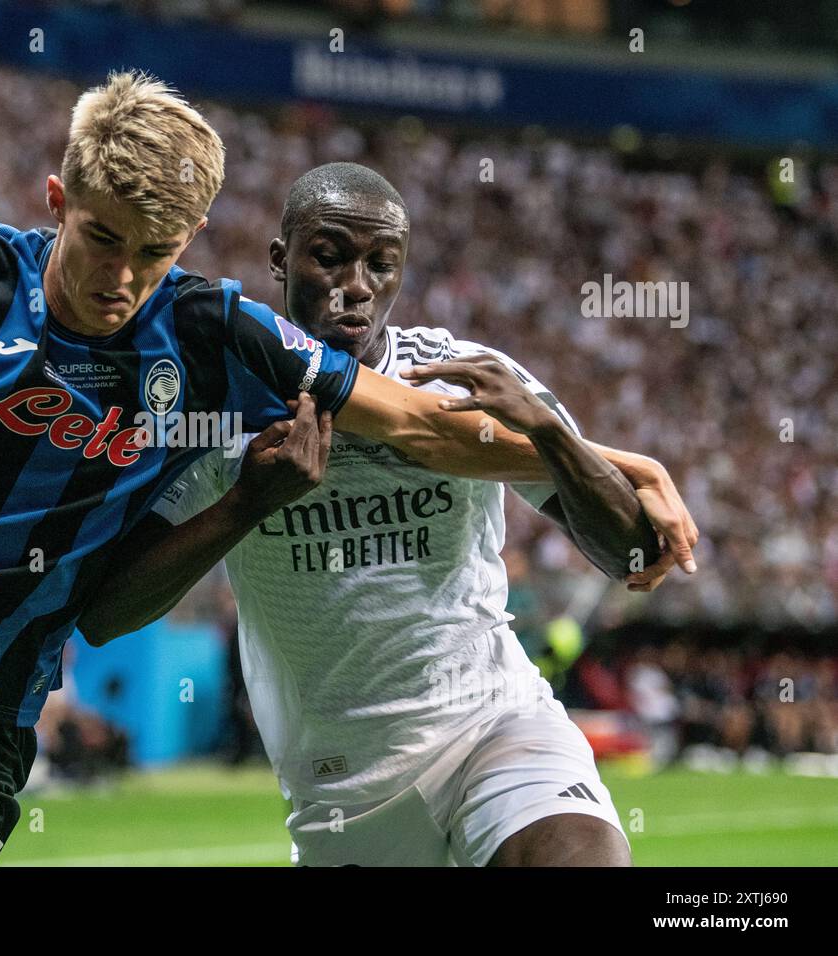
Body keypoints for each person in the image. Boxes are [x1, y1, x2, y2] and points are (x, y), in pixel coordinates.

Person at [0, 75, 689, 866]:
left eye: (153, 252)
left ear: (193, 239)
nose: (121, 277)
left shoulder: (217, 337)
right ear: (57, 198)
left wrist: (611, 456)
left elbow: (416, 421)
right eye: (103, 239)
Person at [78, 162, 698, 866]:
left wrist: (554, 437)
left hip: (494, 729)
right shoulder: (220, 406)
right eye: (330, 257)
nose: (357, 287)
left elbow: (633, 558)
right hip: (344, 788)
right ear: (280, 259)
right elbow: (106, 615)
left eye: (382, 264)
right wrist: (248, 502)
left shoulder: (457, 376)